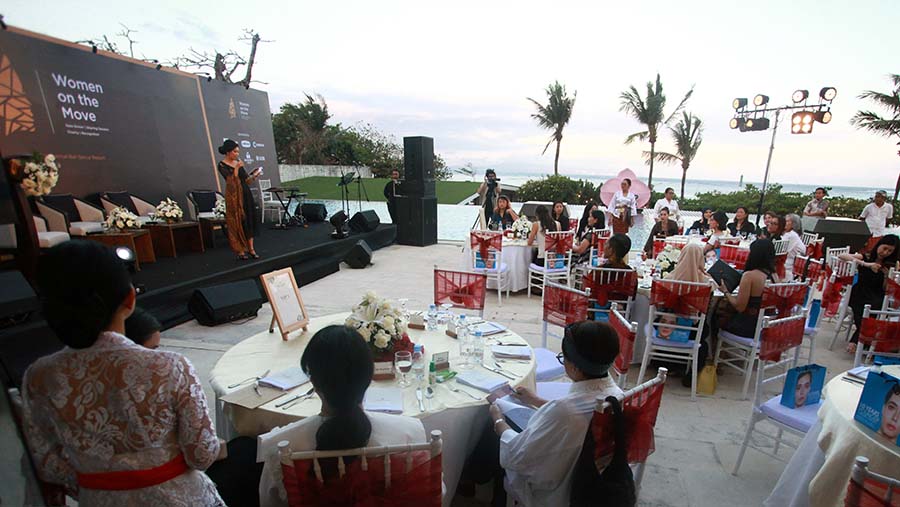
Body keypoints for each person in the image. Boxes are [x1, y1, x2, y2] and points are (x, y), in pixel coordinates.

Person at [21, 241, 225, 506]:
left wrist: (101, 484)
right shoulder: (170, 367)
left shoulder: (39, 376)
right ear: (129, 299)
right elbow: (201, 455)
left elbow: (47, 463)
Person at [257, 325, 426, 507]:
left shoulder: (283, 446)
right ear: (369, 377)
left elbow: (269, 502)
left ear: (313, 381)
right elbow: (432, 495)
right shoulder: (409, 434)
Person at [488, 320, 624, 507]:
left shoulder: (564, 411)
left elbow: (517, 456)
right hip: (597, 476)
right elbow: (580, 410)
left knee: (491, 435)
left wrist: (497, 421)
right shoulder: (616, 395)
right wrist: (536, 401)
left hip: (561, 492)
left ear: (576, 367)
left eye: (563, 358)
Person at [838, 235, 900, 354]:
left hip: (877, 293)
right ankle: (863, 341)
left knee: (878, 307)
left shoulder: (892, 264)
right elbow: (842, 256)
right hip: (861, 290)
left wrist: (887, 276)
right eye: (884, 248)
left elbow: (886, 289)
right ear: (879, 245)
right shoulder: (866, 256)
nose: (885, 252)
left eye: (890, 251)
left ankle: (858, 340)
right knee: (864, 307)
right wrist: (866, 264)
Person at [718, 239, 777, 338]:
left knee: (717, 317)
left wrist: (725, 291)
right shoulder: (775, 276)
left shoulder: (750, 276)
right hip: (766, 326)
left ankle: (716, 351)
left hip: (748, 327)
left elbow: (740, 307)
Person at [218, 139, 261, 260]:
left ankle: (251, 249)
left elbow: (246, 180)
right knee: (238, 222)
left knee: (249, 220)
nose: (237, 154)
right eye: (235, 152)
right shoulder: (222, 165)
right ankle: (240, 250)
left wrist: (254, 176)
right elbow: (231, 181)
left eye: (238, 152)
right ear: (228, 152)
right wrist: (237, 168)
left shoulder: (238, 162)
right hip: (234, 196)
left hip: (245, 194)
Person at [783, 214, 807, 280]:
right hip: (789, 260)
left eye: (787, 221)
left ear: (793, 224)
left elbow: (783, 251)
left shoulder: (791, 235)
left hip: (792, 263)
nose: (784, 222)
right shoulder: (787, 233)